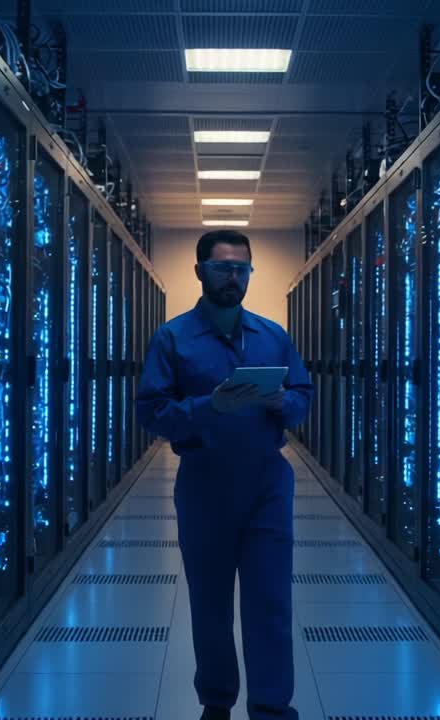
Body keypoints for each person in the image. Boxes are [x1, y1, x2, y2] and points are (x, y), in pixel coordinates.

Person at [136, 229, 313, 720]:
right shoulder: (174, 337)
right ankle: (217, 701)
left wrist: (286, 401)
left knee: (270, 602)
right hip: (205, 483)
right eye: (223, 268)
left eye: (242, 269)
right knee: (210, 605)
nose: (233, 278)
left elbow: (303, 395)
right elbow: (151, 410)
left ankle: (272, 708)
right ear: (200, 272)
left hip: (267, 483)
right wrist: (206, 406)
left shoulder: (272, 336)